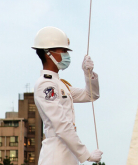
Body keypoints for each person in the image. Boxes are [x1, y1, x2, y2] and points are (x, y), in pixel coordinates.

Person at [32, 26, 103, 164]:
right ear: (48, 53)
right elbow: (61, 125)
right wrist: (87, 154)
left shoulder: (60, 84)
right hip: (56, 156)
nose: (66, 55)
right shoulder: (45, 85)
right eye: (63, 50)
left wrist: (87, 73)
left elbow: (91, 95)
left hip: (67, 154)